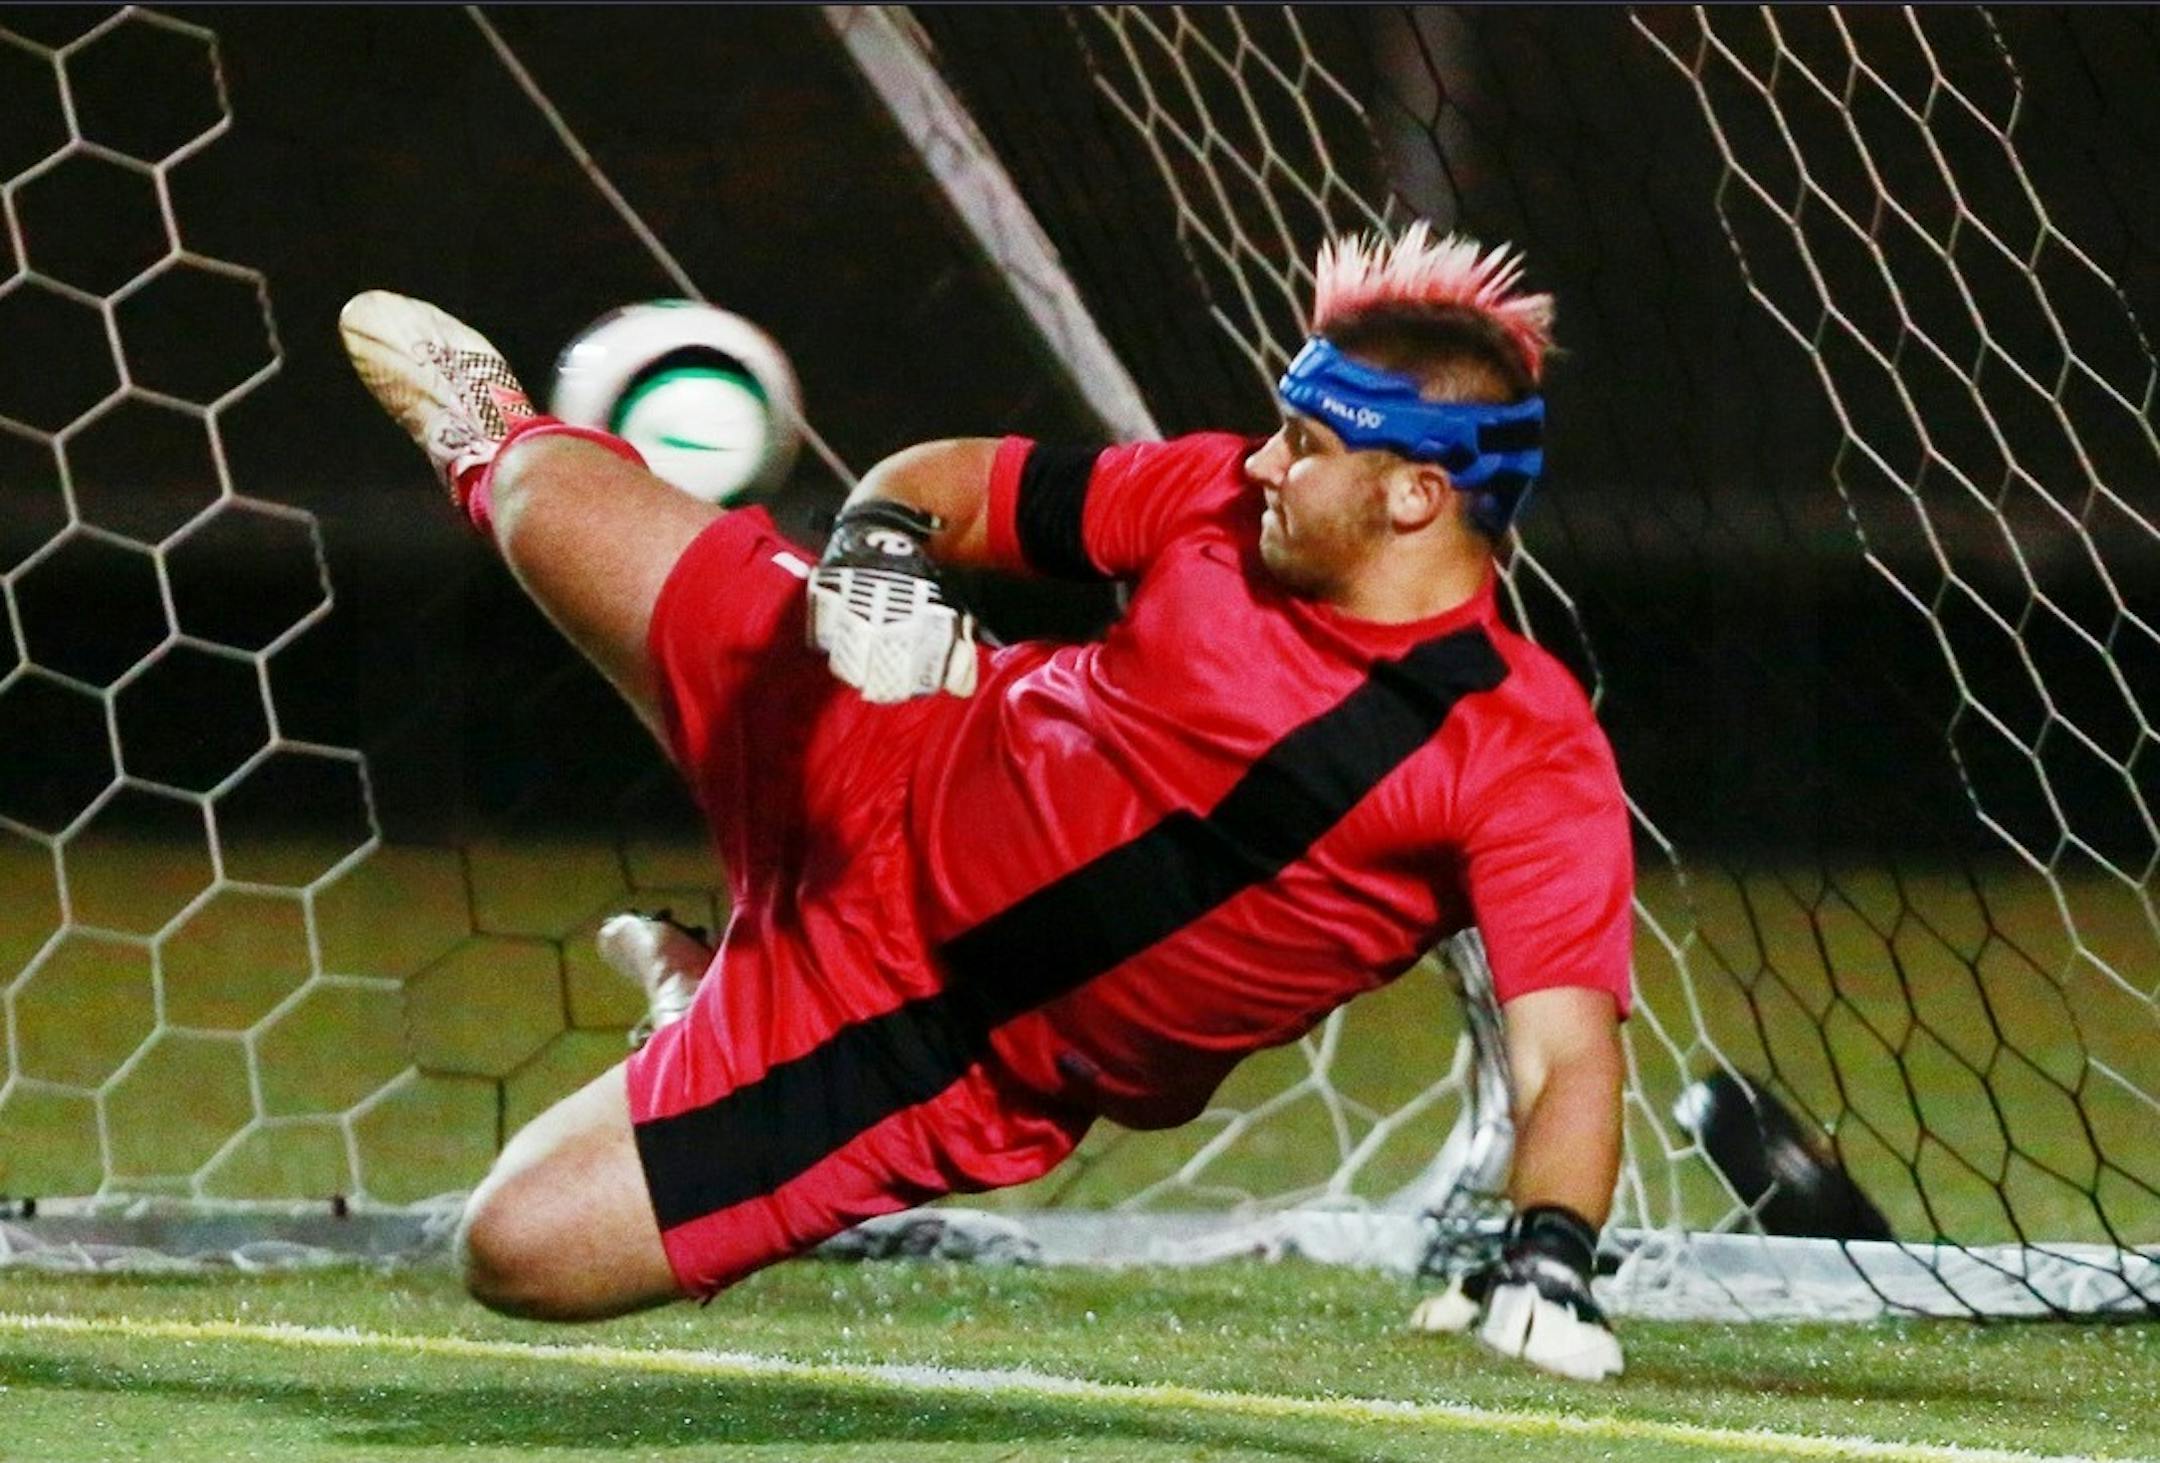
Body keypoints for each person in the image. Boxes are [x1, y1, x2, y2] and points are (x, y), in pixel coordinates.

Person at [338, 222, 1633, 1381]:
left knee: (515, 1251)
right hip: (874, 739)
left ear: (1416, 494)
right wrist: (878, 550)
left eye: (1306, 444)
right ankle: (496, 425)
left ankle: (708, 1003)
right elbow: (953, 480)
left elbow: (1566, 1047)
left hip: (920, 1044)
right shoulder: (1208, 501)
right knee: (528, 486)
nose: (1261, 467)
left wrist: (1552, 1252)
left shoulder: (1526, 756)